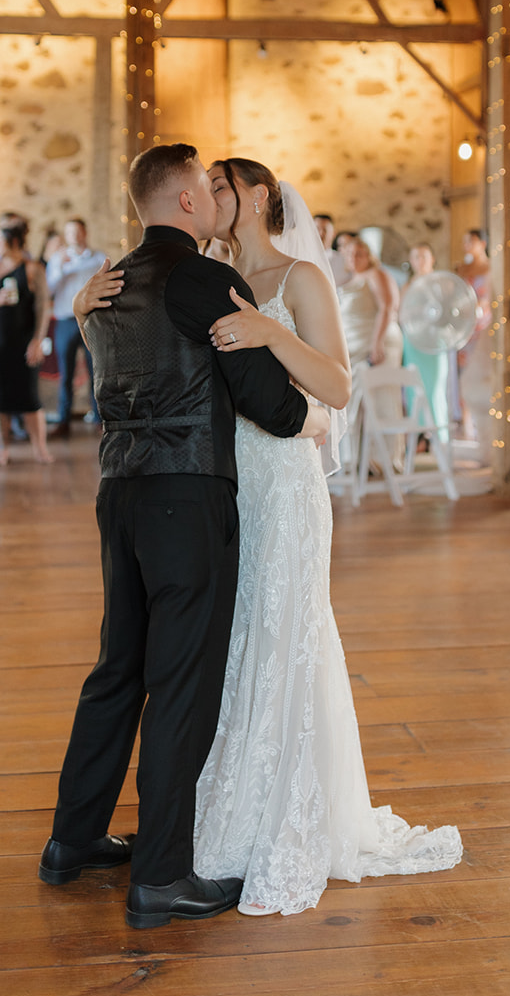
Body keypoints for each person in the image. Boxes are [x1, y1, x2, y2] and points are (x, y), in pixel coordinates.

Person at [40, 143, 322, 930]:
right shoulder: (202, 278)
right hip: (187, 497)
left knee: (116, 669)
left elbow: (95, 363)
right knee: (181, 684)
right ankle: (161, 876)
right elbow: (269, 401)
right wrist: (307, 418)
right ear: (189, 202)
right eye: (205, 186)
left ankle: (72, 840)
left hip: (118, 491)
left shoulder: (102, 288)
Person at [195, 160, 461, 914]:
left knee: (283, 637)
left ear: (254, 198)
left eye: (219, 186)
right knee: (236, 636)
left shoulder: (299, 277)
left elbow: (337, 388)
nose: (208, 198)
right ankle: (229, 800)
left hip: (282, 480)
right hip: (227, 481)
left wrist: (268, 328)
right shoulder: (206, 274)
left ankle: (284, 816)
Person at [0, 217, 51, 465]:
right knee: (1, 395)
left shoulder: (33, 269)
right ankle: (2, 448)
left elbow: (42, 307)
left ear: (13, 241)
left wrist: (38, 339)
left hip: (25, 339)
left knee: (30, 395)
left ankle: (40, 448)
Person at [338, 234, 404, 470]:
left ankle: (386, 460)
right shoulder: (348, 279)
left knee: (383, 400)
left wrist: (376, 344)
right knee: (353, 402)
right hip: (352, 349)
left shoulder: (376, 275)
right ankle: (356, 459)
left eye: (360, 253)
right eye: (350, 254)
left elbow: (387, 308)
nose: (355, 258)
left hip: (377, 345)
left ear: (369, 256)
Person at [45, 218, 105, 437]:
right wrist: (61, 268)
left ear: (84, 232)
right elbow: (49, 289)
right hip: (65, 321)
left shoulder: (98, 257)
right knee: (65, 373)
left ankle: (100, 419)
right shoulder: (57, 260)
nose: (74, 236)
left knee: (96, 371)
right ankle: (63, 422)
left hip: (92, 320)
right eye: (69, 232)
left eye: (77, 231)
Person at [400, 240, 450, 438]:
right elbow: (402, 314)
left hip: (435, 341)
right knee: (414, 387)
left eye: (424, 257)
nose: (420, 261)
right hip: (413, 342)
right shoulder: (408, 286)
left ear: (432, 259)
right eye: (416, 257)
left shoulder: (441, 283)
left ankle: (438, 433)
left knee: (436, 386)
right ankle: (419, 435)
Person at [456, 228, 492, 443]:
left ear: (482, 243)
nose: (467, 245)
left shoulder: (490, 268)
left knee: (480, 372)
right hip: (465, 326)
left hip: (483, 325)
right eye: (465, 242)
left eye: (471, 241)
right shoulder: (462, 268)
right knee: (464, 375)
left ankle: (483, 422)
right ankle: (466, 423)